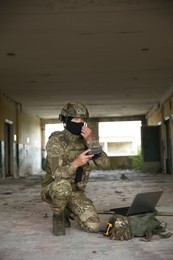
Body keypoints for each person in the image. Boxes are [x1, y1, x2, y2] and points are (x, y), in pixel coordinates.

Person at [41, 102, 110, 236]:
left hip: (75, 191)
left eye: (82, 119)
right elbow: (57, 174)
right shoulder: (56, 141)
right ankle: (58, 216)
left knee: (93, 226)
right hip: (53, 188)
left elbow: (105, 164)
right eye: (75, 119)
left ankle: (68, 208)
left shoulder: (85, 140)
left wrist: (91, 141)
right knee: (62, 187)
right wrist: (76, 163)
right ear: (65, 120)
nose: (79, 122)